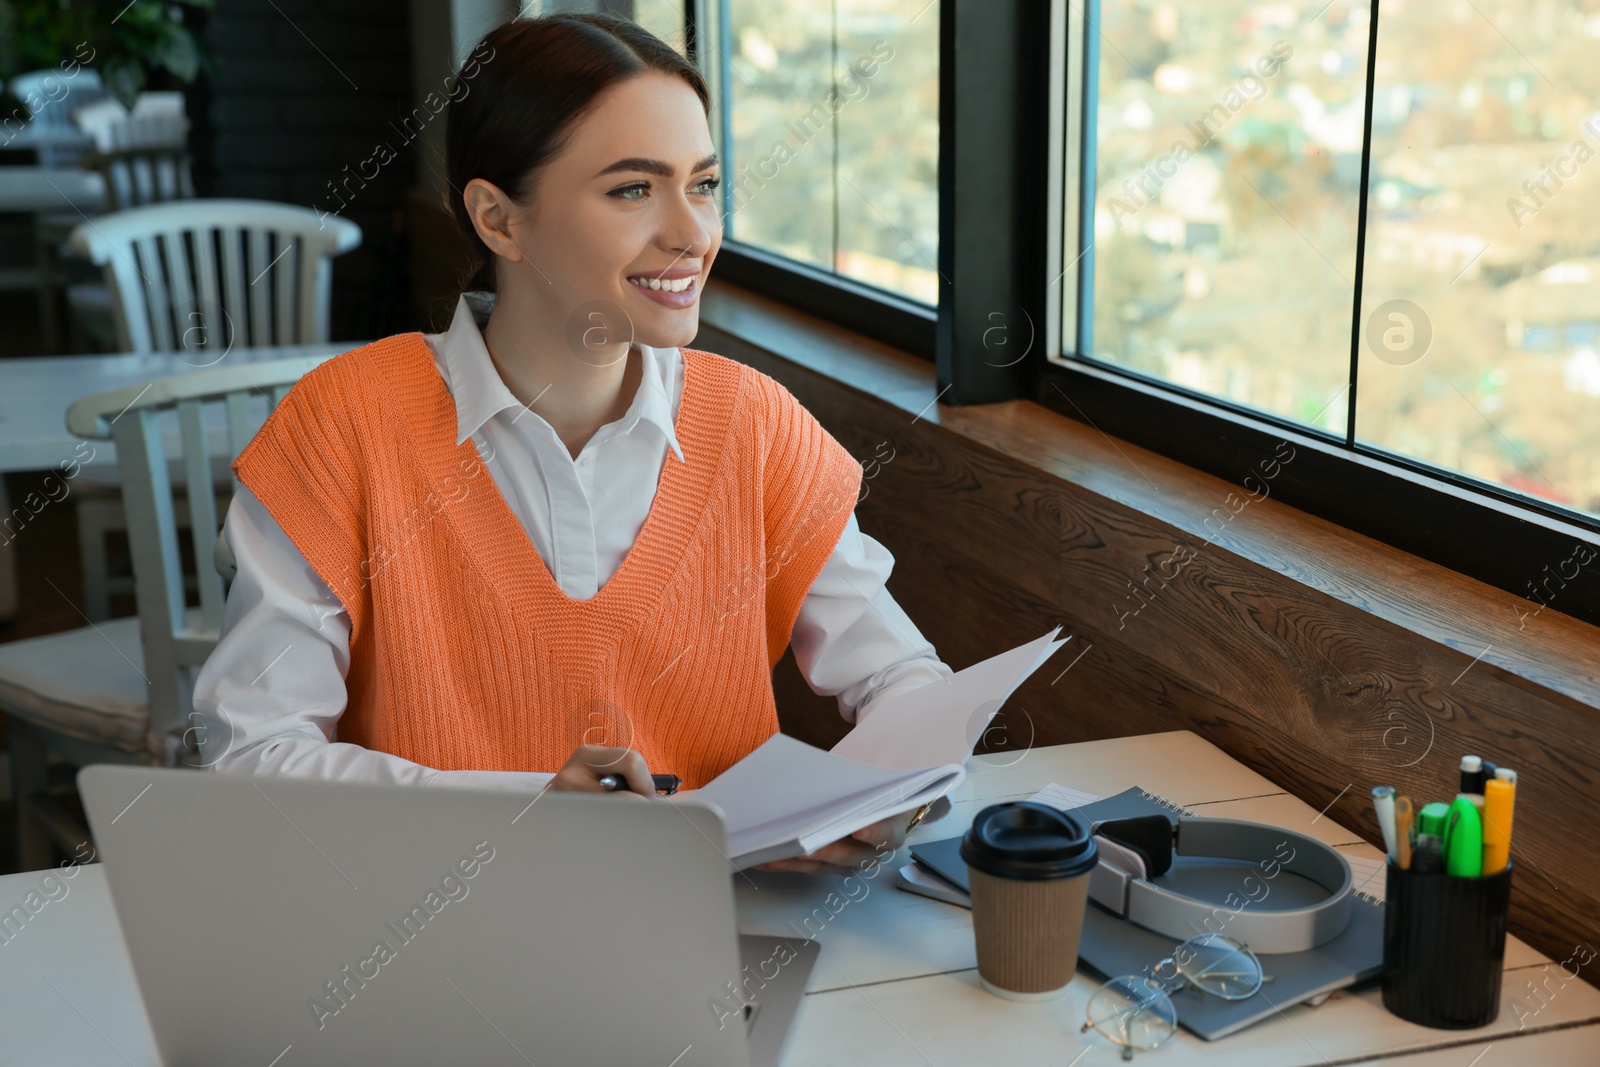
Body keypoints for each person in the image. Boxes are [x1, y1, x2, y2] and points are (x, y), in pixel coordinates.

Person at [190, 12, 952, 876]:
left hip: (722, 937)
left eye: (702, 184)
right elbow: (252, 761)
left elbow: (903, 680)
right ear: (498, 220)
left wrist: (884, 787)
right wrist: (532, 815)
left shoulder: (755, 424)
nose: (693, 233)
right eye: (633, 189)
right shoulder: (342, 426)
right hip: (430, 948)